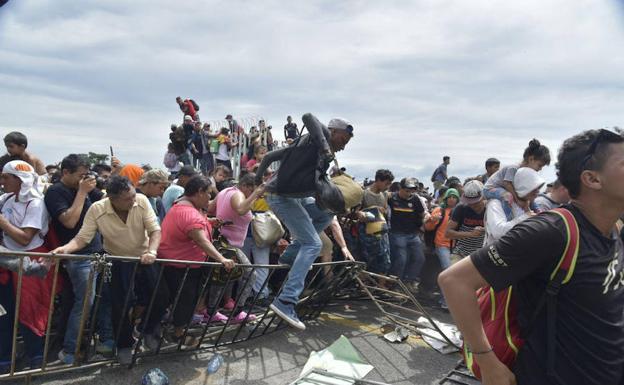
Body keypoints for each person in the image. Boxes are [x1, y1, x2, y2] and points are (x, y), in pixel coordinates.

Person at [439, 128, 624, 385]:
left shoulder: (613, 228)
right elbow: (454, 281)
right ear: (592, 179)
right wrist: (487, 361)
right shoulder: (551, 230)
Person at [254, 113, 354, 330]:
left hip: (296, 198)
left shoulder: (309, 148)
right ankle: (286, 301)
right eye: (343, 141)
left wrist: (258, 176)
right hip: (280, 197)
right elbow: (308, 117)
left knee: (326, 214)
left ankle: (289, 258)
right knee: (314, 244)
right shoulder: (317, 139)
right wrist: (326, 147)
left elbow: (270, 156)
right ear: (333, 132)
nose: (343, 147)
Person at [52, 175, 162, 364]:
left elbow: (154, 230)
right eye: (127, 199)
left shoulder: (142, 201)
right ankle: (124, 346)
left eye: (133, 195)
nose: (133, 200)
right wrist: (65, 249)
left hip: (145, 257)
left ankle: (147, 329)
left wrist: (152, 250)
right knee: (121, 305)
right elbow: (82, 238)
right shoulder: (97, 209)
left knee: (161, 296)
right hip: (118, 260)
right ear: (112, 199)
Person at [44, 154, 113, 364]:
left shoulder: (84, 188)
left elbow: (103, 206)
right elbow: (69, 222)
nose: (85, 179)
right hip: (78, 255)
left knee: (104, 300)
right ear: (66, 172)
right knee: (84, 303)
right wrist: (83, 192)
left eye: (87, 175)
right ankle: (69, 350)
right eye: (81, 175)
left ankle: (105, 342)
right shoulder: (56, 191)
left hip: (98, 251)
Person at [154, 175, 235, 342]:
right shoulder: (188, 213)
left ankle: (167, 330)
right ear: (199, 192)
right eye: (208, 194)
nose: (210, 198)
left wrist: (209, 222)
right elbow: (200, 240)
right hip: (182, 267)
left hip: (177, 263)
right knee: (184, 300)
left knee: (178, 300)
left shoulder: (183, 207)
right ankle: (177, 334)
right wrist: (222, 259)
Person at [0, 160, 53, 371]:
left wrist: (3, 223)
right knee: (4, 314)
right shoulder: (5, 199)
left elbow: (24, 239)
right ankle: (4, 358)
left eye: (6, 177)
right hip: (6, 264)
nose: (2, 181)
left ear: (19, 179)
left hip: (30, 262)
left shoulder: (36, 203)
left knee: (30, 312)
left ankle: (36, 357)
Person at [208, 173, 263, 323]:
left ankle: (211, 311)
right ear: (246, 186)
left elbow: (209, 208)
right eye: (252, 190)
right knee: (251, 274)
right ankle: (238, 311)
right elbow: (240, 210)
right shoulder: (238, 194)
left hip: (222, 242)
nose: (254, 195)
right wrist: (255, 195)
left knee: (222, 278)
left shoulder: (224, 192)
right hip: (229, 244)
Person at [483, 139, 551, 218]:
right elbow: (507, 184)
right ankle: (509, 219)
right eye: (539, 165)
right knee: (508, 196)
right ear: (531, 159)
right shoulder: (514, 168)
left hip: (505, 188)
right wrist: (518, 200)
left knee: (529, 195)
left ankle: (539, 212)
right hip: (491, 189)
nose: (540, 169)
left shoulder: (526, 174)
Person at [483, 167, 544, 246]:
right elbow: (498, 232)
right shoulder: (496, 203)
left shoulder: (528, 203)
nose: (537, 191)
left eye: (538, 188)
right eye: (533, 188)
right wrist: (525, 217)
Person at [387, 177, 427, 293]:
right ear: (401, 188)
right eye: (407, 190)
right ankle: (395, 284)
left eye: (412, 190)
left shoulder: (415, 199)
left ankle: (408, 281)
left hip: (413, 234)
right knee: (401, 260)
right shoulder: (391, 198)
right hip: (397, 234)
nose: (409, 193)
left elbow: (422, 213)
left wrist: (426, 219)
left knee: (420, 258)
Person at [357, 169, 394, 275]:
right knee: (367, 259)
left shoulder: (385, 195)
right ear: (378, 180)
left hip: (382, 230)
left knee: (384, 259)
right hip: (366, 231)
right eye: (386, 183)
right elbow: (357, 212)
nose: (387, 187)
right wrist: (372, 210)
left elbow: (386, 209)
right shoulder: (364, 193)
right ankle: (364, 284)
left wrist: (383, 211)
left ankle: (381, 285)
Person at [444, 180, 486, 258]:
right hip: (461, 254)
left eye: (476, 202)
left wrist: (484, 229)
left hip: (482, 255)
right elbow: (447, 233)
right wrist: (471, 234)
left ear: (483, 197)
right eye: (470, 203)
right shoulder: (461, 208)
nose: (473, 205)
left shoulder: (491, 208)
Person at [424, 188, 460, 271]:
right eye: (449, 197)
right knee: (448, 268)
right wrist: (433, 219)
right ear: (446, 198)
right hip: (441, 244)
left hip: (457, 246)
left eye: (454, 197)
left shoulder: (461, 211)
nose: (451, 199)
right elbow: (428, 228)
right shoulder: (439, 210)